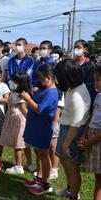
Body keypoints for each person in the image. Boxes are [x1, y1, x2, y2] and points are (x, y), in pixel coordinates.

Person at [54, 59, 91, 200]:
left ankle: (74, 196)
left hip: (72, 133)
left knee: (72, 168)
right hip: (66, 127)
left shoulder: (77, 94)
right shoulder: (73, 88)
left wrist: (66, 144)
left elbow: (76, 124)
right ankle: (70, 189)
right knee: (65, 163)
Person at [22, 64, 59, 195]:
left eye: (42, 80)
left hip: (43, 128)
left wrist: (28, 99)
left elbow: (39, 109)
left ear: (49, 78)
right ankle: (39, 178)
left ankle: (45, 183)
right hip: (36, 127)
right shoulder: (45, 89)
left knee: (44, 156)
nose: (40, 83)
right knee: (39, 154)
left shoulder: (52, 92)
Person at [0, 71, 34, 174]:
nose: (11, 82)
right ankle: (29, 164)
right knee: (24, 144)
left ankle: (18, 166)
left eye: (13, 81)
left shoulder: (20, 95)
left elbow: (24, 111)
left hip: (18, 121)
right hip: (14, 118)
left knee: (18, 144)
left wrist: (31, 121)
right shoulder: (15, 92)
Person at [78, 65, 101, 200]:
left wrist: (89, 142)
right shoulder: (98, 96)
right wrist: (84, 136)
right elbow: (92, 117)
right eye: (95, 79)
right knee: (98, 177)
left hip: (97, 139)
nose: (95, 83)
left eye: (98, 80)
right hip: (92, 137)